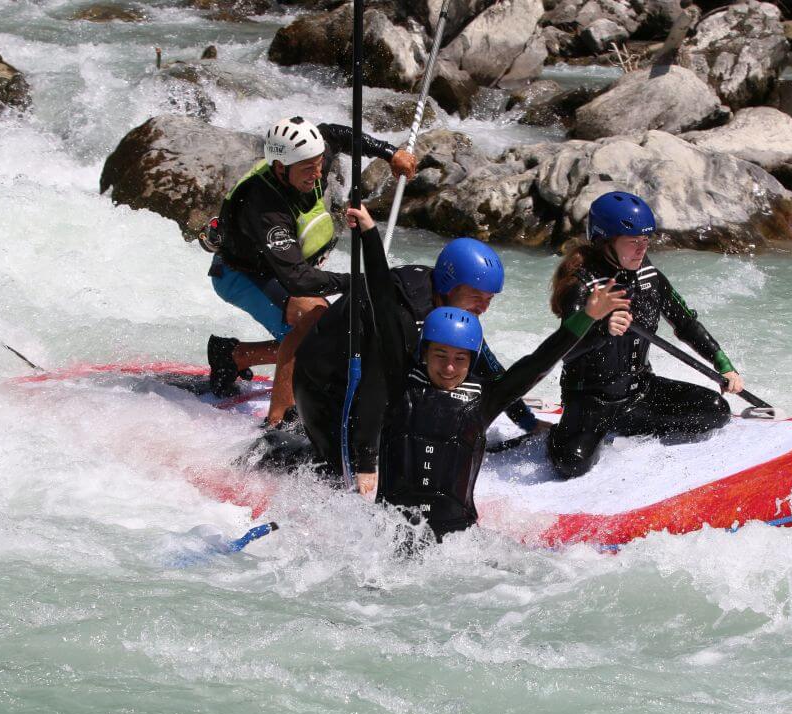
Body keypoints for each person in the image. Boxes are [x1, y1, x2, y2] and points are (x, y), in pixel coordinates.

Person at [346, 205, 630, 543]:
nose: (449, 367)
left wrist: (586, 316)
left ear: (472, 361)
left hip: (457, 544)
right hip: (389, 538)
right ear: (424, 352)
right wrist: (368, 233)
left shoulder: (483, 400)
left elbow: (539, 361)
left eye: (459, 359)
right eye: (440, 356)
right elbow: (382, 303)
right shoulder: (400, 384)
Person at [275, 233, 546, 497]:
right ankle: (274, 451)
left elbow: (489, 366)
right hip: (326, 384)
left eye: (489, 300)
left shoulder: (451, 308)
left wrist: (527, 422)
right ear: (449, 286)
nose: (483, 308)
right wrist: (367, 462)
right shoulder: (406, 313)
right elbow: (376, 384)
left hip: (366, 381)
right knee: (343, 482)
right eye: (477, 297)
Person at [204, 116, 417, 428]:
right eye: (308, 169)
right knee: (311, 317)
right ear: (280, 168)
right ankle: (278, 421)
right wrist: (359, 281)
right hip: (240, 274)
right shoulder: (265, 208)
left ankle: (235, 356)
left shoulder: (307, 160)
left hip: (278, 267)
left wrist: (388, 152)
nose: (318, 174)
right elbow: (298, 280)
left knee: (329, 331)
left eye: (319, 164)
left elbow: (335, 135)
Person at [546, 190, 747, 479]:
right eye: (633, 242)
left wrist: (724, 365)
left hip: (640, 392)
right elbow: (563, 350)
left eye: (646, 241)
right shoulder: (582, 285)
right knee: (570, 464)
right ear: (605, 241)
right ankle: (560, 433)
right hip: (592, 401)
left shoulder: (648, 276)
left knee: (715, 410)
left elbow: (686, 323)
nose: (642, 249)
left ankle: (628, 427)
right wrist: (601, 329)